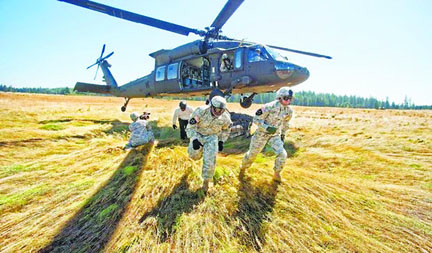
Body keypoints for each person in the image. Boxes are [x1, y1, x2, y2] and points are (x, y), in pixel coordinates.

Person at [240, 87, 294, 181]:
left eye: (290, 99)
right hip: (261, 135)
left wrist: (282, 135)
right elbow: (256, 119)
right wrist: (266, 128)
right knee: (252, 155)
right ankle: (243, 168)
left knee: (282, 154)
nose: (288, 101)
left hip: (274, 136)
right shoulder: (269, 107)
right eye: (286, 98)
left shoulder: (289, 111)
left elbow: (285, 124)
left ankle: (277, 174)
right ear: (280, 97)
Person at [186, 96, 232, 192]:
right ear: (212, 106)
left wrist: (221, 141)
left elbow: (226, 129)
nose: (219, 112)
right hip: (198, 135)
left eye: (221, 110)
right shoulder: (201, 112)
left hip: (212, 137)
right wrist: (194, 139)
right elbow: (190, 126)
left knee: (210, 160)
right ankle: (196, 154)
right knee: (194, 156)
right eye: (217, 109)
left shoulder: (225, 117)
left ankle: (206, 182)